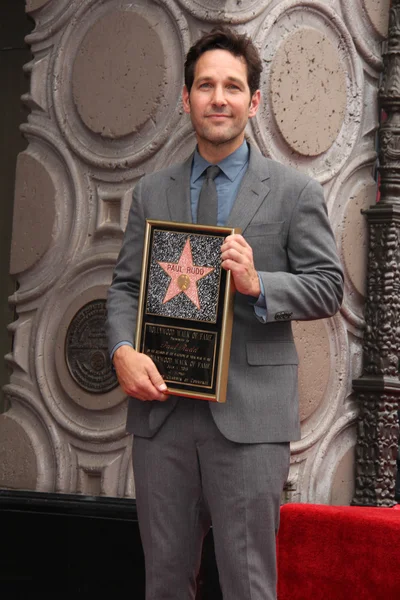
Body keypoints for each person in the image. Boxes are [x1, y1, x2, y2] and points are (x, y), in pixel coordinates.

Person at [106, 25, 343, 600]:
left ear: (253, 101)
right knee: (164, 582)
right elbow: (123, 288)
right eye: (206, 86)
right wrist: (121, 352)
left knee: (247, 583)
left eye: (232, 87)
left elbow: (328, 286)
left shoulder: (293, 192)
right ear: (185, 98)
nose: (219, 98)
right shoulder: (151, 192)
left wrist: (259, 283)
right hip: (162, 417)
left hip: (250, 422)